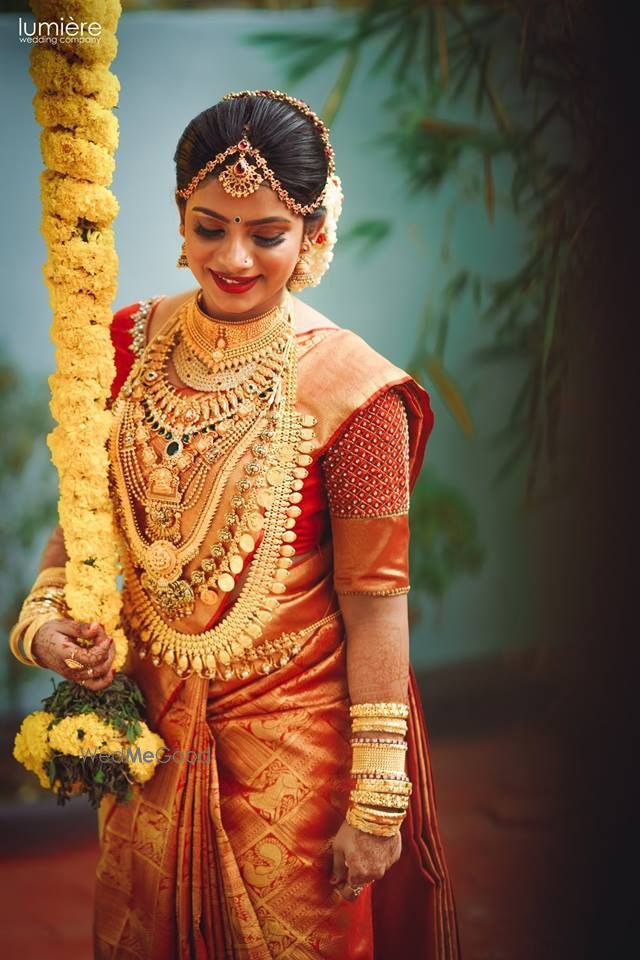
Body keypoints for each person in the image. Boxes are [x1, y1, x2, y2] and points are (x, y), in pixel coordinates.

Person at [14, 90, 460, 959]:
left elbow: (376, 603)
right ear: (179, 217)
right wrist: (45, 626)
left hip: (297, 759)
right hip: (151, 738)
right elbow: (86, 523)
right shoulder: (122, 342)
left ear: (313, 235)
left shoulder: (357, 394)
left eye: (268, 234)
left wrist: (376, 797)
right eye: (210, 226)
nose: (234, 258)